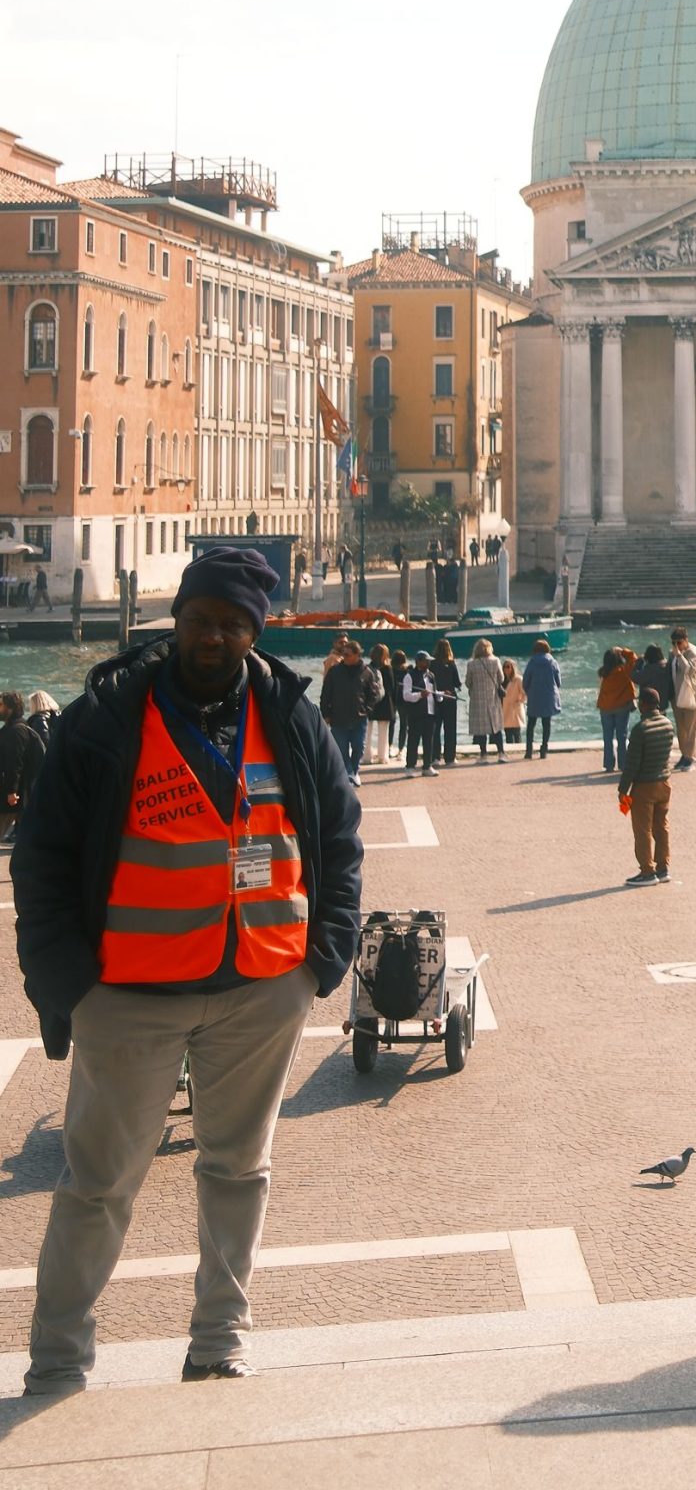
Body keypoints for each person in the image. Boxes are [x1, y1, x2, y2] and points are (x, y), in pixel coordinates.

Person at [12, 544, 361, 1391]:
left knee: (240, 1171)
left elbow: (339, 835)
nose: (213, 637)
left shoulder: (291, 715)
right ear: (175, 621)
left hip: (263, 986)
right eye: (201, 620)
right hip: (126, 994)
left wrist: (323, 959)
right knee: (98, 1185)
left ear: (254, 634)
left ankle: (218, 1342)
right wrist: (69, 985)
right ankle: (57, 1359)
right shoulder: (103, 719)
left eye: (233, 625)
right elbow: (42, 856)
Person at [622, 686, 675, 884]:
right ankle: (663, 868)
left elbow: (632, 764)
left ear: (642, 704)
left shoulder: (640, 729)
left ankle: (647, 871)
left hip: (644, 786)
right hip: (664, 783)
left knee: (642, 830)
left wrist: (623, 790)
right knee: (661, 827)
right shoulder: (668, 724)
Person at [318, 638, 374, 786]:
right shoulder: (334, 671)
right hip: (338, 718)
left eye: (348, 654)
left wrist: (367, 710)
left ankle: (354, 771)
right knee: (341, 749)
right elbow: (325, 694)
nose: (344, 657)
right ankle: (349, 773)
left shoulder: (366, 672)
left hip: (359, 718)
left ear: (357, 655)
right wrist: (326, 714)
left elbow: (372, 694)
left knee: (358, 747)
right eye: (343, 654)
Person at [0, 693, 46, 841]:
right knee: (31, 830)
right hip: (18, 793)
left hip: (14, 793)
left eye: (1, 705)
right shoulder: (12, 728)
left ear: (11, 708)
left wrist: (11, 791)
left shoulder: (16, 731)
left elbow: (14, 763)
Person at [596, 646, 638, 775]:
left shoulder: (603, 673)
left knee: (607, 737)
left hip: (605, 707)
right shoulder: (623, 671)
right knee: (622, 736)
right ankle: (623, 764)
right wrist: (623, 651)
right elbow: (633, 659)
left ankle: (608, 765)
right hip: (621, 707)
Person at [465, 639, 506, 763]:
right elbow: (501, 679)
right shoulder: (495, 661)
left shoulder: (471, 664)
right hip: (492, 699)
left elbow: (468, 683)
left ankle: (484, 755)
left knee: (481, 730)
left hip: (478, 701)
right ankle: (501, 753)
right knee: (496, 727)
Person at [398, 653, 438, 776]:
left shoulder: (431, 675)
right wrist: (420, 695)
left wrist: (441, 695)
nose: (428, 663)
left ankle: (427, 766)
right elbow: (406, 695)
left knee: (428, 741)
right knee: (413, 741)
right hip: (416, 714)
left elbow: (434, 692)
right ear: (419, 662)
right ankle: (410, 767)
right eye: (426, 661)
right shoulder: (409, 676)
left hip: (430, 713)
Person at [670, 627, 696, 769]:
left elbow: (689, 670)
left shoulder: (692, 652)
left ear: (686, 640)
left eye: (679, 642)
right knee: (681, 729)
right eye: (674, 643)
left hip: (692, 697)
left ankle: (690, 757)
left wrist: (679, 656)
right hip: (677, 697)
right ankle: (684, 755)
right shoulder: (672, 653)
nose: (677, 646)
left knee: (691, 729)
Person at [524, 638, 561, 760]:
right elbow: (558, 682)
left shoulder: (532, 662)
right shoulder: (553, 662)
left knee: (531, 723)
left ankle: (529, 750)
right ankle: (544, 749)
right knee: (546, 723)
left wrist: (529, 692)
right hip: (548, 696)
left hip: (534, 695)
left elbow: (526, 681)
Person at [431, 639, 461, 767]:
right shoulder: (451, 663)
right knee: (450, 729)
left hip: (435, 698)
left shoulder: (432, 664)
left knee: (435, 729)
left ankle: (435, 757)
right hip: (450, 698)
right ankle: (450, 757)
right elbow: (457, 682)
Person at [366, 644, 396, 767]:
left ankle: (366, 756)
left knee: (367, 731)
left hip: (371, 702)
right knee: (383, 731)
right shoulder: (387, 668)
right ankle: (382, 756)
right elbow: (392, 687)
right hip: (385, 702)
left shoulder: (368, 668)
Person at [500, 658, 524, 748]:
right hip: (505, 709)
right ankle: (510, 749)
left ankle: (519, 749)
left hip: (515, 709)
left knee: (516, 732)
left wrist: (520, 701)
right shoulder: (501, 681)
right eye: (504, 667)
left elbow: (525, 693)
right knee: (508, 733)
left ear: (513, 668)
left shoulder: (518, 679)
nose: (506, 669)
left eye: (508, 667)